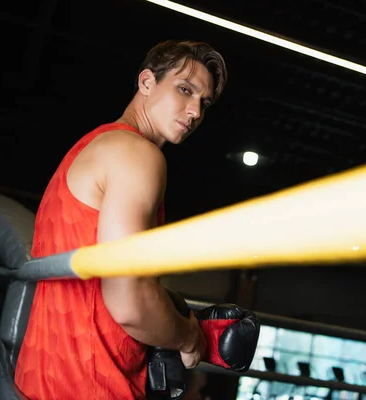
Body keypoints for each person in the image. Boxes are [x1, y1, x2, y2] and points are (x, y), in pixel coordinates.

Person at [14, 39, 228, 399]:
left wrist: (173, 308)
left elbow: (105, 281)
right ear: (146, 82)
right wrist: (189, 337)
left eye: (203, 103)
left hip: (40, 380)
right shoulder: (137, 155)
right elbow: (129, 303)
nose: (194, 112)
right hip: (91, 387)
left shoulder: (94, 146)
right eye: (185, 90)